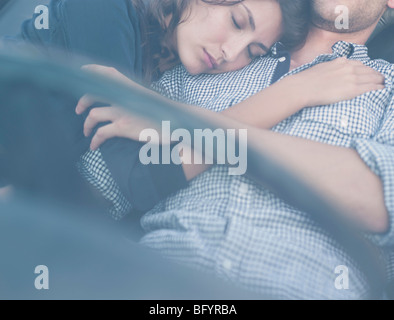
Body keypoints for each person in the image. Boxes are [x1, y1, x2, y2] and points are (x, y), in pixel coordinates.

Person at [76, 0, 394, 299]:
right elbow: (98, 190)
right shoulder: (205, 60)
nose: (236, 49)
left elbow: (379, 197)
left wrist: (181, 122)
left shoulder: (387, 88)